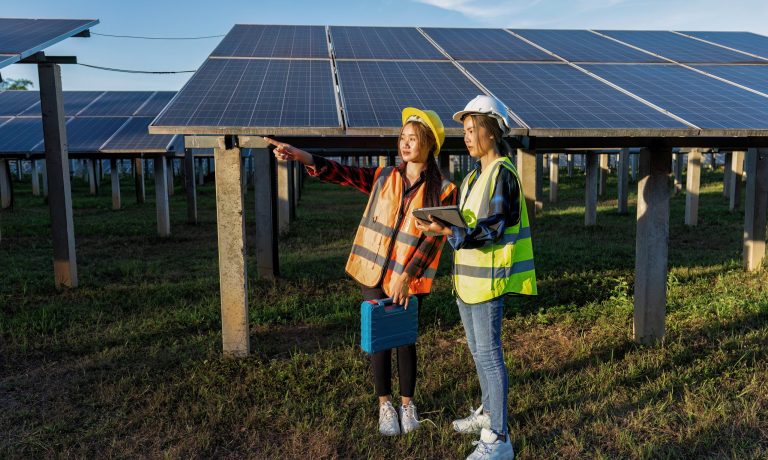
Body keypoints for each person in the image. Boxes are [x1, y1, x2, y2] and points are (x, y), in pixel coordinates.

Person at [263, 107, 457, 436]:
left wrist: (407, 278)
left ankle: (407, 405)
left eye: (414, 138)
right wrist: (304, 157)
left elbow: (431, 242)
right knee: (380, 338)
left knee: (405, 341)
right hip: (372, 273)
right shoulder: (384, 177)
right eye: (403, 138)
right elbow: (342, 173)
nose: (406, 144)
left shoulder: (444, 189)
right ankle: (385, 404)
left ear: (429, 145)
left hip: (408, 281)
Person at [414, 95, 537, 460]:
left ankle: (499, 439)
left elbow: (494, 227)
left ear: (492, 132)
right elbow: (464, 225)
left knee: (490, 356)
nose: (467, 137)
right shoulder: (472, 177)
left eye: (473, 130)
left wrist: (449, 232)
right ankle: (487, 414)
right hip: (466, 282)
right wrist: (439, 227)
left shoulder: (503, 175)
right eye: (464, 131)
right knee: (477, 352)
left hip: (488, 282)